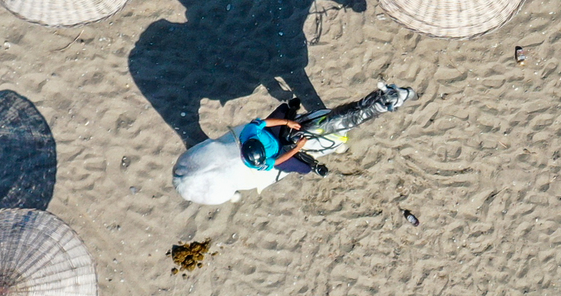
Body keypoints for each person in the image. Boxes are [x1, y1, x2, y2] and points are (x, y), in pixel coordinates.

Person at [172, 83, 413, 205]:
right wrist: (297, 150)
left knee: (285, 111)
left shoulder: (249, 132)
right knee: (299, 166)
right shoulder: (261, 161)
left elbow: (266, 122)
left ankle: (293, 106)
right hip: (278, 150)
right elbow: (279, 161)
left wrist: (289, 120)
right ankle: (313, 168)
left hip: (271, 135)